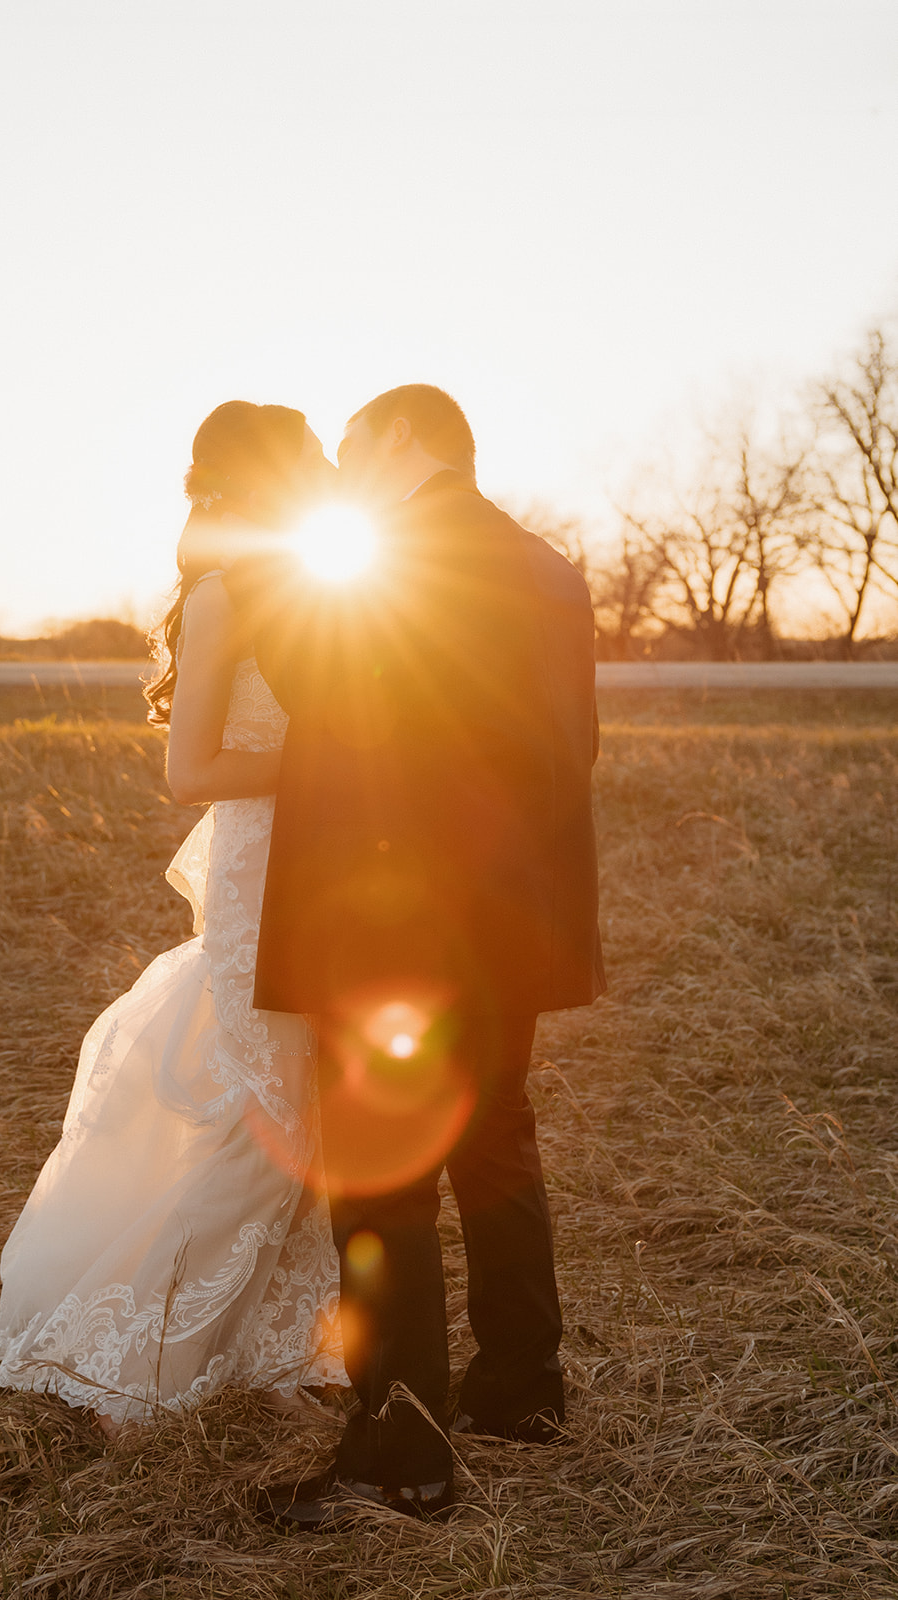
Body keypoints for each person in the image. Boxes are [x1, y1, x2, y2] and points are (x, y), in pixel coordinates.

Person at [224, 384, 605, 1526]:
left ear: (401, 438)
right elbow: (564, 748)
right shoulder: (547, 567)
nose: (338, 468)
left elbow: (337, 698)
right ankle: (521, 1390)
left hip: (401, 928)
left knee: (380, 1188)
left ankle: (403, 1453)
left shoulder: (396, 562)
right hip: (509, 922)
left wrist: (260, 567)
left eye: (349, 445)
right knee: (495, 1141)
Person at [0, 401, 347, 1430]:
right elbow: (189, 769)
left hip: (314, 868)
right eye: (311, 453)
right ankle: (136, 1356)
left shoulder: (301, 587)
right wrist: (328, 765)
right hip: (260, 870)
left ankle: (268, 1344)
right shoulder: (227, 592)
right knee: (259, 1118)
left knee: (304, 1122)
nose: (327, 466)